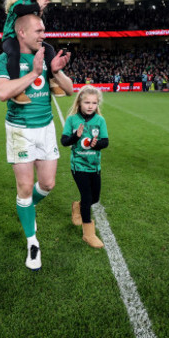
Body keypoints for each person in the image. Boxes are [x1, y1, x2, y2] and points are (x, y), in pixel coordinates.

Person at [0, 14, 73, 270]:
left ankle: (25, 209)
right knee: (25, 186)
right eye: (38, 30)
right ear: (22, 33)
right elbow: (3, 93)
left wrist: (55, 71)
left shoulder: (47, 55)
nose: (43, 34)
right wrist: (35, 73)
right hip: (20, 130)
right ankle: (32, 241)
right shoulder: (5, 60)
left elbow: (70, 90)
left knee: (47, 184)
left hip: (46, 128)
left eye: (44, 30)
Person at [2, 0, 64, 104]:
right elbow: (18, 10)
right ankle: (16, 89)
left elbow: (33, 23)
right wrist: (38, 6)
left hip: (26, 38)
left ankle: (52, 80)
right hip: (11, 37)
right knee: (14, 53)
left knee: (48, 49)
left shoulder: (33, 2)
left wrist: (39, 11)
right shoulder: (20, 0)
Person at [61, 85, 109, 248]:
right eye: (87, 102)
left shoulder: (100, 121)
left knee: (94, 199)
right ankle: (88, 234)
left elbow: (105, 142)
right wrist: (76, 136)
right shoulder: (72, 120)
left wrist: (97, 144)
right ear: (80, 102)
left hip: (94, 166)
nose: (90, 106)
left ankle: (77, 206)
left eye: (94, 103)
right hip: (79, 166)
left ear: (97, 104)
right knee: (88, 197)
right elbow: (64, 141)